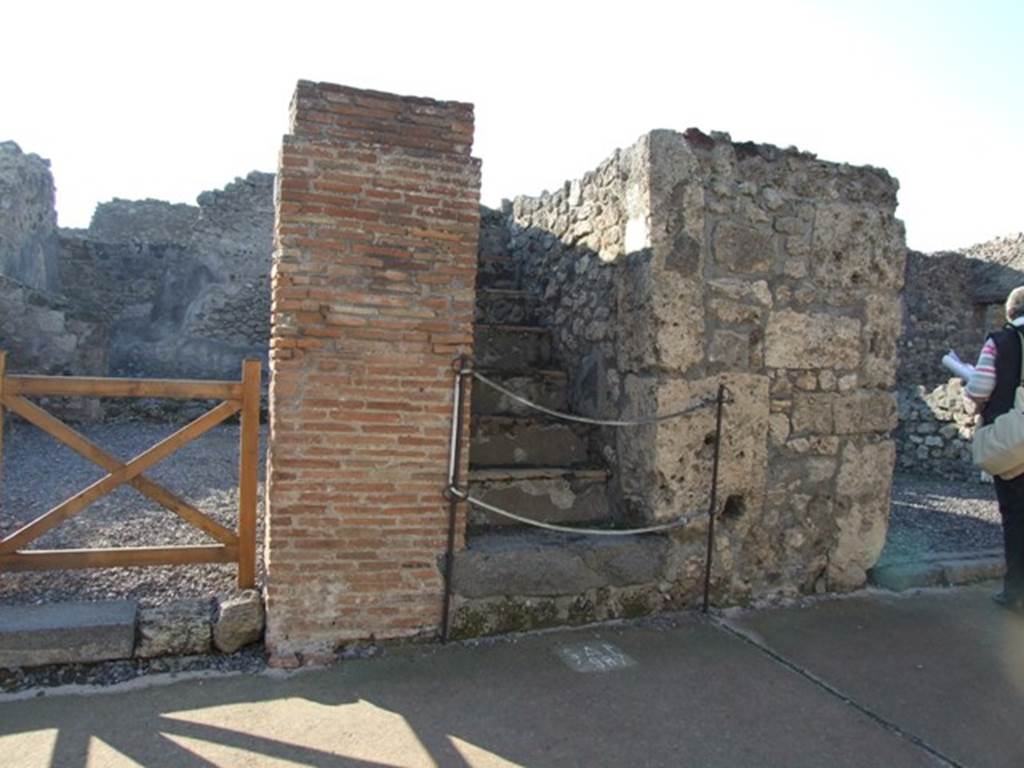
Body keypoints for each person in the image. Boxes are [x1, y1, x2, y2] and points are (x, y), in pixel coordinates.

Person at [966, 286, 1024, 611]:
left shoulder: (1001, 342)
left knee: (1016, 517)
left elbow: (979, 389)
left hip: (1013, 443)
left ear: (1010, 312)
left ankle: (1015, 590)